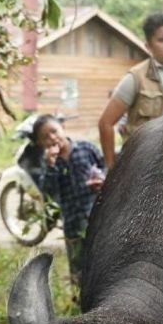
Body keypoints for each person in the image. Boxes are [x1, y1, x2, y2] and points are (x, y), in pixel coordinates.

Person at [98, 12, 163, 168]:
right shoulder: (136, 78)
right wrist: (111, 167)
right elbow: (105, 123)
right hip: (146, 164)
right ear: (148, 46)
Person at [34, 115, 105, 284]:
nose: (52, 138)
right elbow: (48, 192)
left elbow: (105, 167)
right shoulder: (48, 163)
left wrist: (102, 180)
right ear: (40, 144)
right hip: (73, 226)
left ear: (62, 128)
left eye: (54, 131)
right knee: (79, 272)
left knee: (103, 262)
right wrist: (51, 166)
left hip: (98, 218)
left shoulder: (86, 148)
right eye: (45, 137)